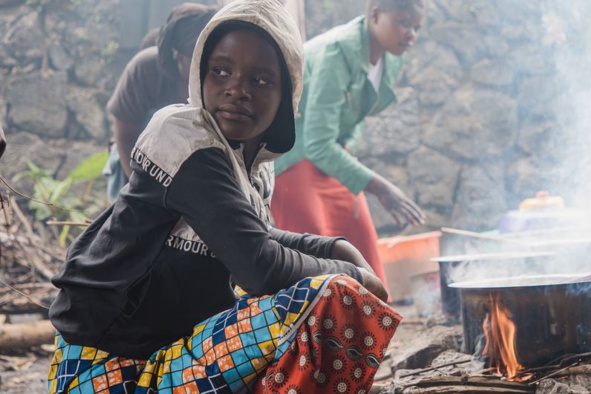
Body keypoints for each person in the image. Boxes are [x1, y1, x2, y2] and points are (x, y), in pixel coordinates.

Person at [47, 1, 399, 392]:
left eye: (261, 80)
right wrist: (354, 274)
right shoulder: (184, 138)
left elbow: (254, 236)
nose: (237, 90)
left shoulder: (252, 162)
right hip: (105, 367)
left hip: (163, 352)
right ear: (200, 74)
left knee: (324, 288)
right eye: (221, 71)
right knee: (331, 296)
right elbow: (259, 267)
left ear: (288, 95)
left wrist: (336, 247)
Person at [272, 0, 426, 290]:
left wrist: (348, 147)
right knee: (315, 263)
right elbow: (317, 143)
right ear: (376, 14)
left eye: (417, 27)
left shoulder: (392, 56)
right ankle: (322, 330)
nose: (411, 35)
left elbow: (358, 113)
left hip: (331, 153)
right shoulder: (337, 51)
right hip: (295, 156)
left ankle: (371, 329)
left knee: (363, 247)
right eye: (404, 23)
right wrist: (380, 187)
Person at [104, 3, 217, 203]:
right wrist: (142, 191)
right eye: (196, 59)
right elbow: (125, 137)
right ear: (179, 57)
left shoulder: (219, 76)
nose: (204, 66)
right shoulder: (145, 70)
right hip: (135, 164)